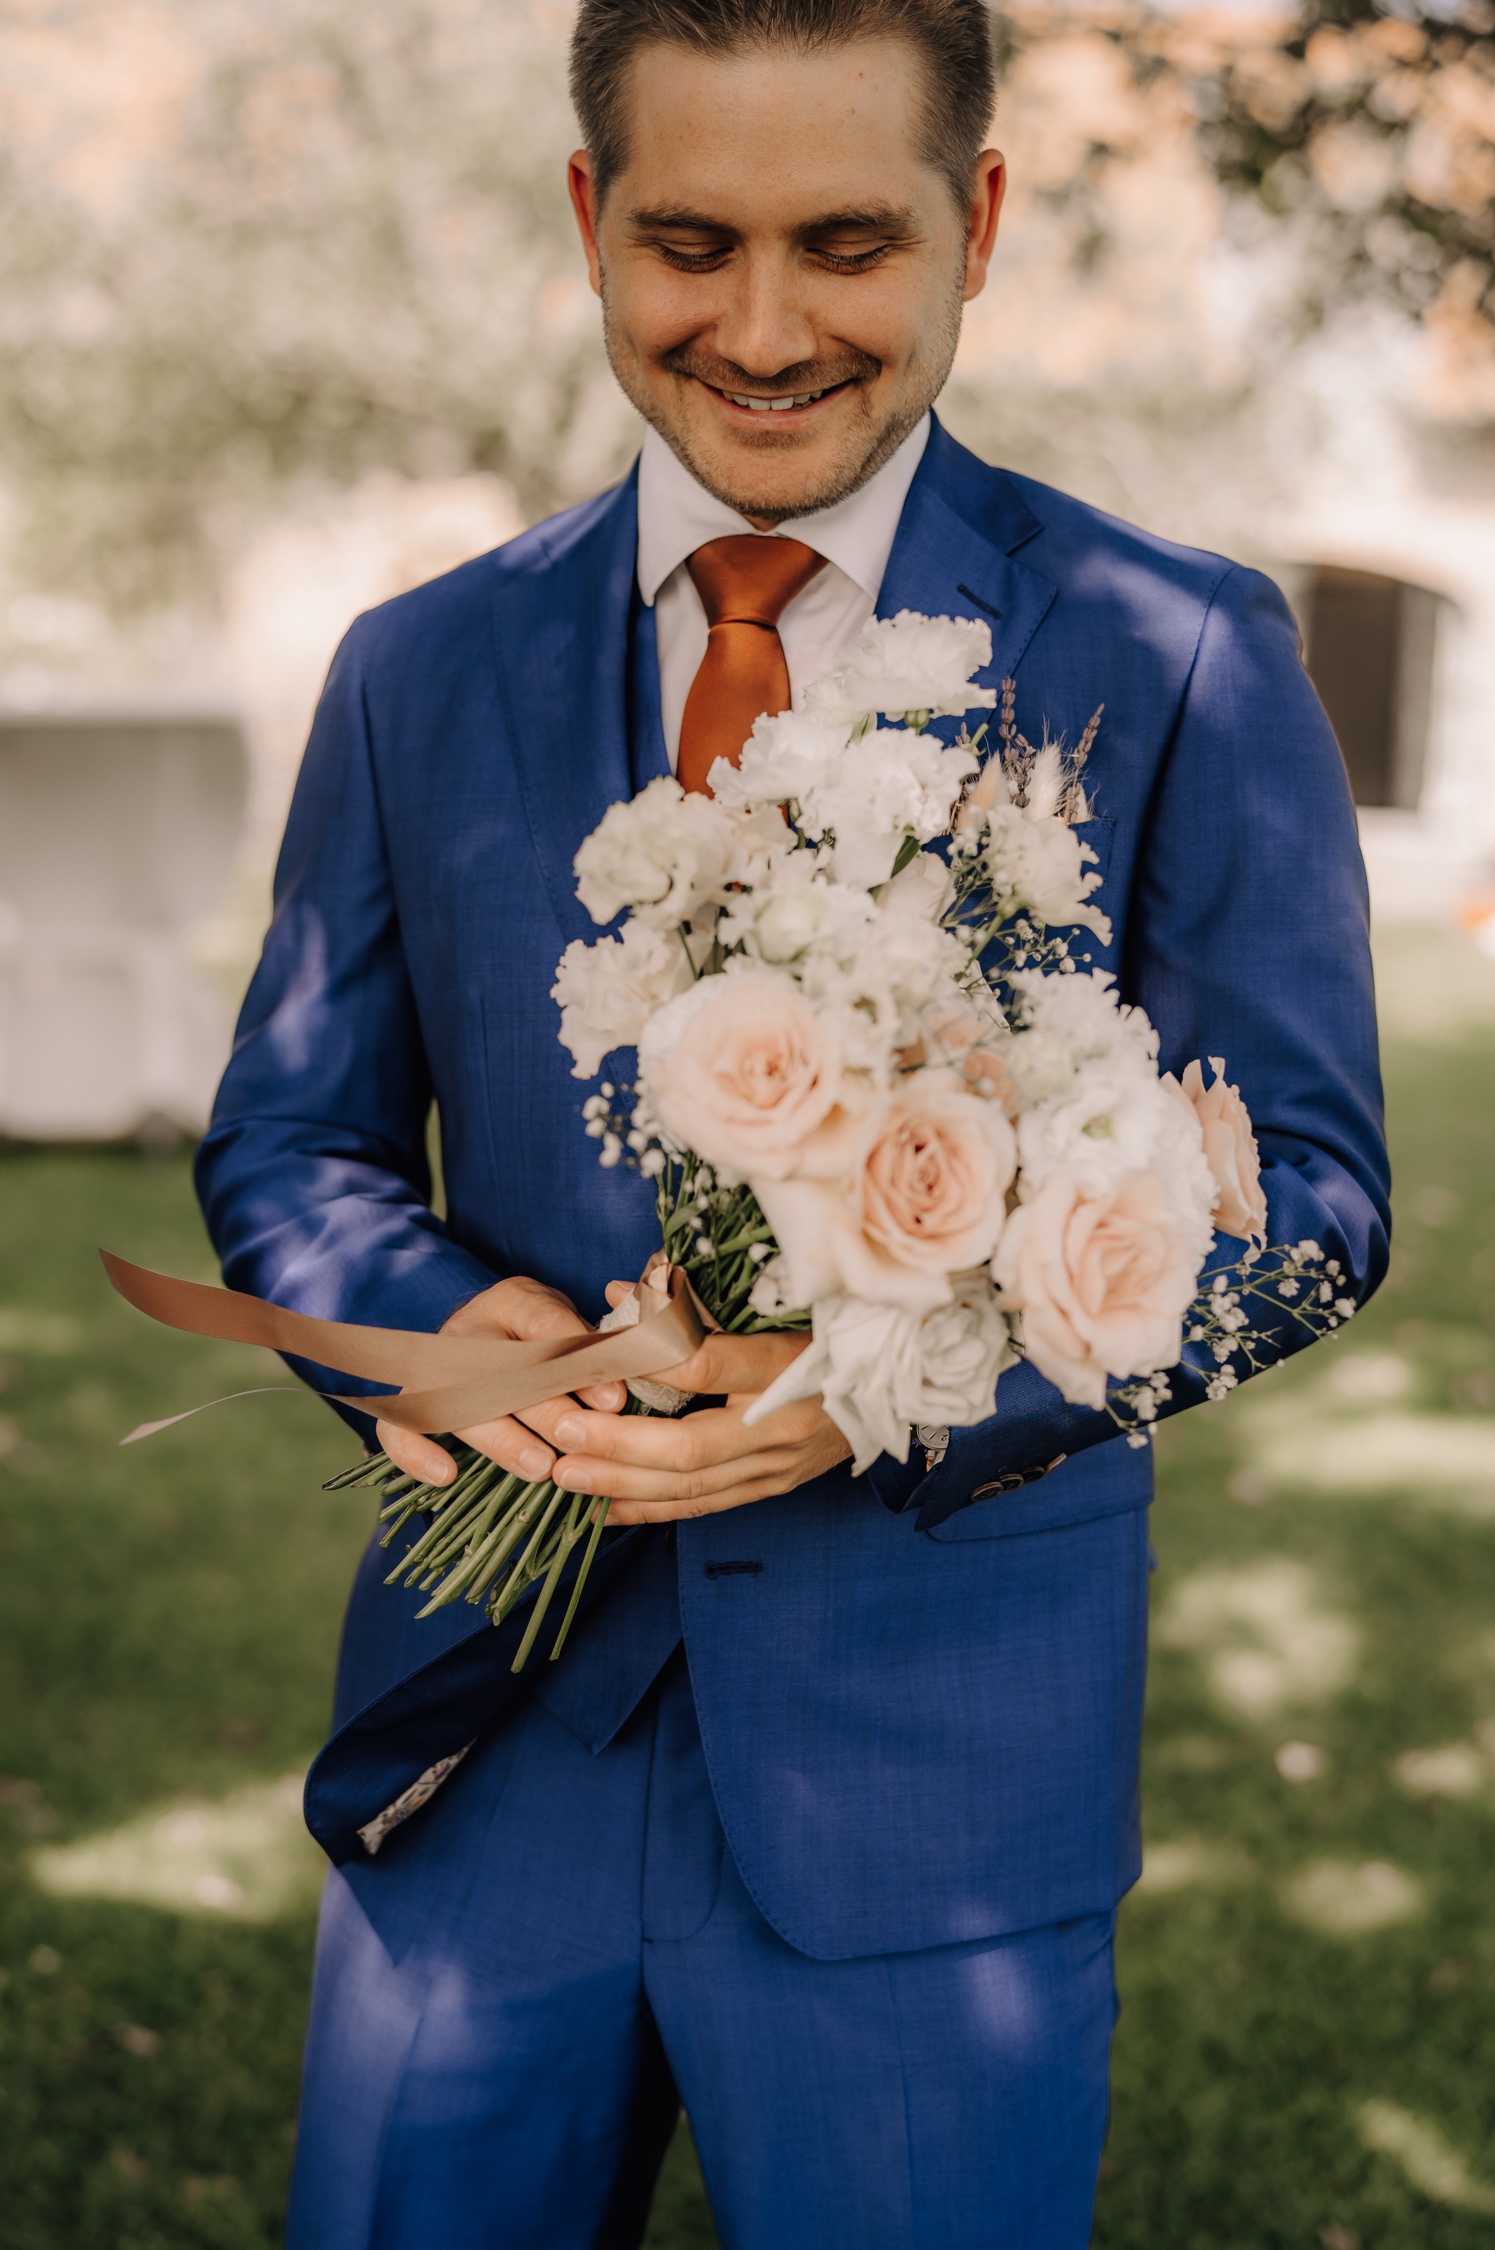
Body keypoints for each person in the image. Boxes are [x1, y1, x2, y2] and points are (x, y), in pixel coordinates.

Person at [195, 2, 1389, 2243]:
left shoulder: (1181, 651)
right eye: (687, 242)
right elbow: (291, 1148)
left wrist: (887, 1385)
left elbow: (1311, 1204)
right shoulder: (416, 667)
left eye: (847, 241)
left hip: (935, 1783)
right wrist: (453, 1331)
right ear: (587, 223)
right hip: (490, 1753)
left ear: (983, 223)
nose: (761, 329)